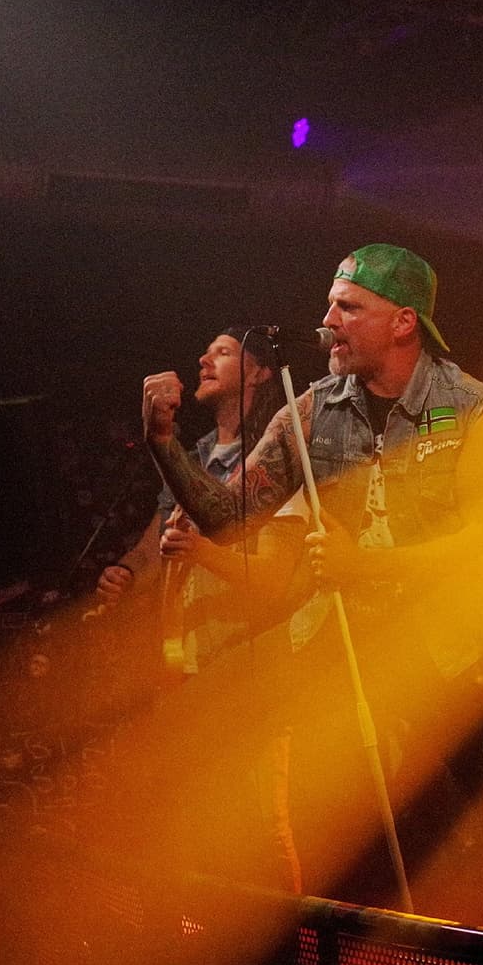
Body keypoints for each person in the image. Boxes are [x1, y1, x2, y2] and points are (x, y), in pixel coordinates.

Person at [142, 245, 483, 944]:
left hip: (455, 657)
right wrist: (163, 442)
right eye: (330, 305)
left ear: (404, 322)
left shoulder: (473, 410)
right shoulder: (312, 410)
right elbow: (230, 516)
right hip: (348, 656)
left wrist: (361, 567)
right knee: (329, 839)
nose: (328, 321)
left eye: (348, 307)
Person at [96, 325, 303, 893]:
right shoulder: (193, 458)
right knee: (200, 813)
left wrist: (203, 552)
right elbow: (153, 546)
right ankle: (215, 935)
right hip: (190, 664)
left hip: (251, 663)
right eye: (206, 351)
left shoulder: (278, 455)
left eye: (224, 352)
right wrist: (127, 572)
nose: (204, 359)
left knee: (261, 819)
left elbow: (274, 577)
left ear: (260, 372)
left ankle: (294, 943)